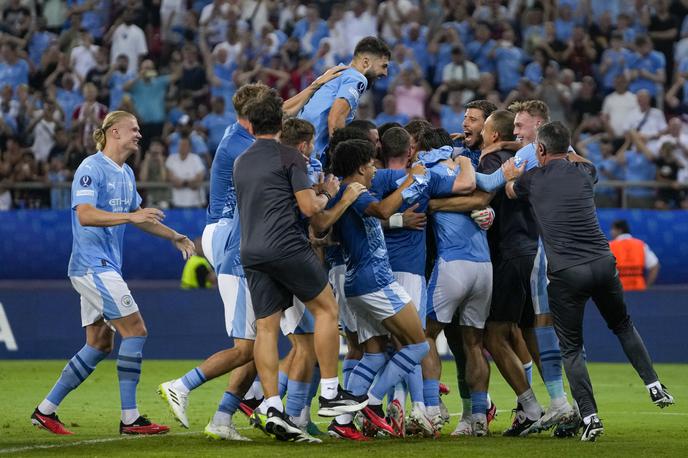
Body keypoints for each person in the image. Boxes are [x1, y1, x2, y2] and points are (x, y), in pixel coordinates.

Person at [505, 121, 674, 442]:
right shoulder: (586, 172)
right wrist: (568, 149)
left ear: (540, 150)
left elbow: (511, 190)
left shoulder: (532, 179)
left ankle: (591, 416)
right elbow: (582, 161)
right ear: (568, 149)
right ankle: (654, 384)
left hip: (567, 273)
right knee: (623, 325)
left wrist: (513, 172)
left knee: (571, 348)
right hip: (602, 263)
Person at [31, 110, 195, 436]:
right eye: (133, 129)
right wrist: (130, 218)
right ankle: (130, 418)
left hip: (104, 265)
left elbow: (139, 216)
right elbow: (87, 215)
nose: (139, 134)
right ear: (113, 132)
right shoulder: (90, 168)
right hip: (92, 266)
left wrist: (173, 235)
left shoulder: (127, 173)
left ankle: (45, 410)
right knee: (135, 330)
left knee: (99, 344)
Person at [234, 90, 367, 441]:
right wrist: (325, 194)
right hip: (287, 246)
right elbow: (310, 210)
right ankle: (329, 392)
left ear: (250, 124)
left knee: (266, 329)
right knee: (327, 309)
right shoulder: (290, 156)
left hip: (252, 251)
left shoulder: (241, 160)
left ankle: (272, 404)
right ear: (280, 122)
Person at [298, 36, 391, 161]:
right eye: (383, 66)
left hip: (300, 145)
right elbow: (336, 118)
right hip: (311, 154)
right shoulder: (357, 78)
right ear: (366, 62)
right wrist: (339, 161)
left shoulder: (338, 72)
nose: (385, 73)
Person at [609, 220, 660, 291]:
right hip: (639, 291)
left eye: (612, 229)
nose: (611, 232)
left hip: (617, 292)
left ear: (619, 230)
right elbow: (654, 266)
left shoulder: (610, 246)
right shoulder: (641, 245)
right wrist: (647, 286)